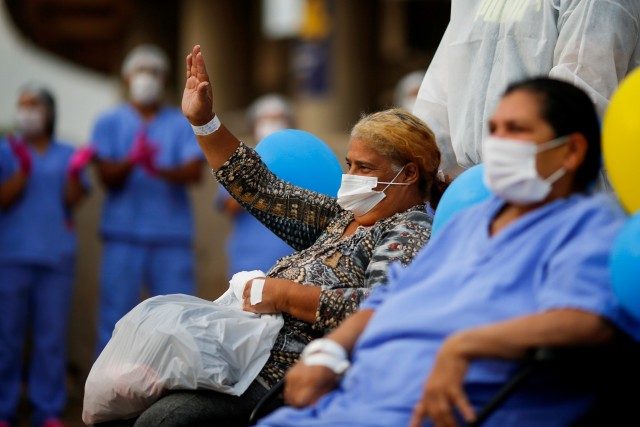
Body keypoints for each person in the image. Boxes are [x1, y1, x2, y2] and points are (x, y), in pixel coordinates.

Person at [90, 44, 449, 427]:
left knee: (163, 421)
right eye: (350, 164)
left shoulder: (408, 228)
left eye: (365, 167)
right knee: (120, 403)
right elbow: (264, 189)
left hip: (285, 376)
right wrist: (205, 122)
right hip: (244, 357)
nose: (352, 176)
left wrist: (284, 295)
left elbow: (383, 308)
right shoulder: (343, 216)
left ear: (409, 174)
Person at [257, 78, 640, 427]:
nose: (499, 143)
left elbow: (587, 321)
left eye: (517, 130)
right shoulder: (470, 221)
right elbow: (388, 298)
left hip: (439, 409)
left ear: (571, 151)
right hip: (357, 396)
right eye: (495, 130)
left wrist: (466, 344)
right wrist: (328, 352)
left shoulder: (588, 227)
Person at [414, 0, 640, 179]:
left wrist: (523, 161)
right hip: (470, 187)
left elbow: (581, 90)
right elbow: (442, 85)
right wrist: (425, 162)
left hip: (557, 180)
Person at [90, 44, 206, 356]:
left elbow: (194, 172)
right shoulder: (109, 122)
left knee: (178, 317)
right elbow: (106, 177)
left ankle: (175, 394)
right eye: (140, 72)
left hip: (171, 237)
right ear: (127, 78)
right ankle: (108, 391)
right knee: (114, 316)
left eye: (154, 72)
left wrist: (156, 168)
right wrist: (132, 161)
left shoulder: (180, 121)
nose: (147, 78)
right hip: (122, 235)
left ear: (165, 78)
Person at [0, 84, 92, 427]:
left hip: (55, 258)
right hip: (11, 256)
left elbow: (72, 200)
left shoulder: (67, 152)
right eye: (21, 105)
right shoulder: (5, 150)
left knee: (50, 339)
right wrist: (22, 171)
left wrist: (73, 174)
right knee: (6, 338)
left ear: (49, 112)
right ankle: (3, 409)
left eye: (34, 105)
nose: (26, 111)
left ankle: (47, 409)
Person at [214, 93, 298, 277]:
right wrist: (262, 170)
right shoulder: (238, 162)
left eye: (278, 119)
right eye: (265, 119)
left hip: (296, 262)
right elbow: (229, 206)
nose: (272, 124)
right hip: (251, 261)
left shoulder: (302, 160)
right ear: (253, 126)